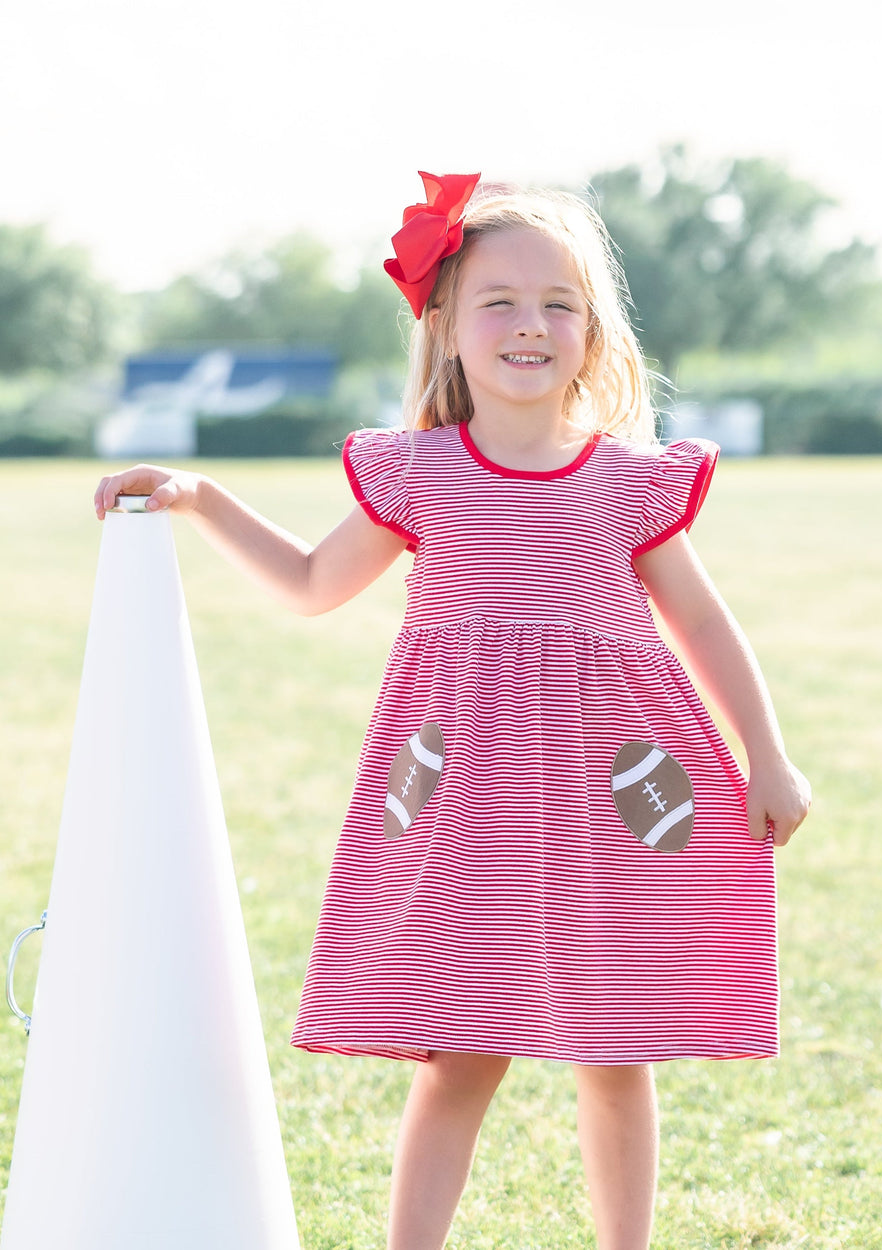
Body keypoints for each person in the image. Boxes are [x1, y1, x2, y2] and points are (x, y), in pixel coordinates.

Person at [95, 171, 810, 1250]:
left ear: (592, 332)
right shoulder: (420, 474)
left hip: (602, 804)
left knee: (615, 1050)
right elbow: (310, 582)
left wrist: (767, 754)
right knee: (462, 1052)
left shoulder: (630, 483)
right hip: (472, 812)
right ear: (446, 326)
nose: (529, 324)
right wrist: (201, 498)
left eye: (558, 304)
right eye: (499, 301)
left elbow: (702, 623)